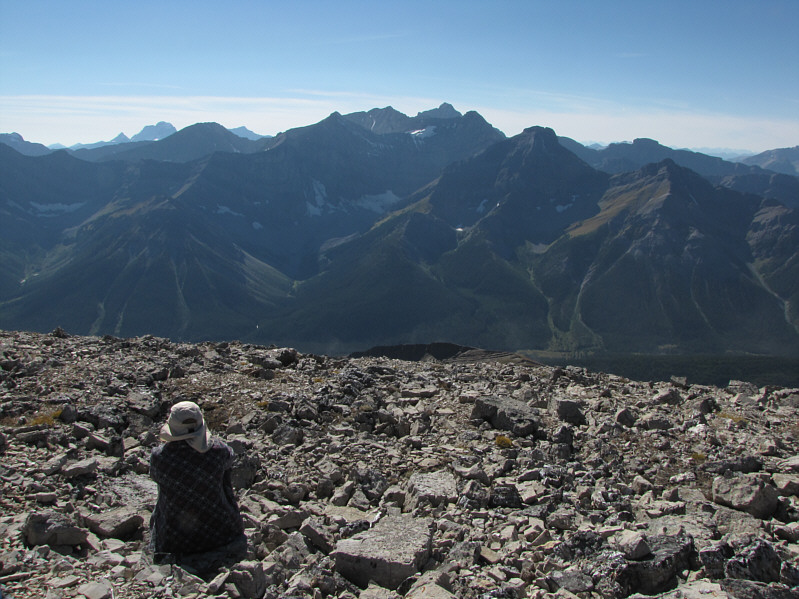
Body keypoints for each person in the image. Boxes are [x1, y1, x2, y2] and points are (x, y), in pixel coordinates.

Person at [149, 401, 244, 561]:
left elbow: (155, 476)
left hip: (174, 542)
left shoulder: (159, 457)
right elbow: (230, 457)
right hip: (222, 533)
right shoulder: (219, 451)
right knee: (222, 474)